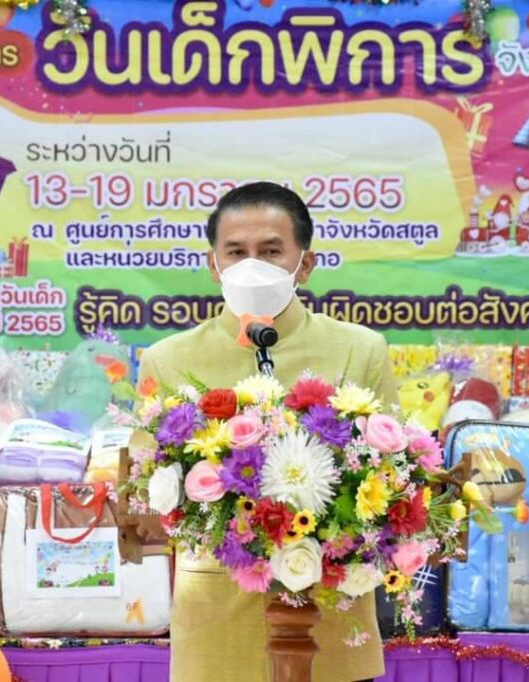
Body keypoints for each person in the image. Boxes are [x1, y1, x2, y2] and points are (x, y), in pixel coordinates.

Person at [138, 181, 396, 682]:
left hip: (331, 617)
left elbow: (392, 478)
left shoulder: (359, 349)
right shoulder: (168, 360)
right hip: (216, 622)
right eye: (236, 252)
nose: (251, 265)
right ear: (214, 265)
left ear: (306, 263)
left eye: (271, 251)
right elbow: (146, 484)